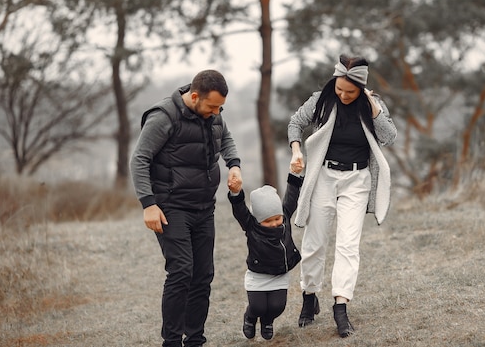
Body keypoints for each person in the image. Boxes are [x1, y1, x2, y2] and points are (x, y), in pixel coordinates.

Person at [130, 70, 243, 347]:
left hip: (204, 207)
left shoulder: (213, 113)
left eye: (220, 107)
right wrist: (149, 204)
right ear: (194, 96)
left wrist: (234, 165)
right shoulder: (163, 117)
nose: (216, 112)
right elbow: (139, 160)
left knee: (203, 275)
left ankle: (195, 340)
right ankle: (171, 341)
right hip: (171, 206)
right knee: (181, 270)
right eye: (212, 106)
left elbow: (225, 137)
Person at [288, 54, 397, 338]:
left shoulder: (372, 105)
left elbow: (389, 136)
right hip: (324, 176)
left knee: (348, 245)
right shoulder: (321, 100)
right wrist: (296, 150)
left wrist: (373, 106)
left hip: (357, 180)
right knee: (314, 242)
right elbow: (295, 123)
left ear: (361, 89)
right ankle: (309, 296)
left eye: (351, 91)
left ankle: (341, 307)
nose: (344, 95)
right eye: (339, 89)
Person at [227, 168, 303, 340]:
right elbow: (239, 210)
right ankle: (250, 317)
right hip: (258, 275)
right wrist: (236, 193)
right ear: (258, 220)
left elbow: (292, 196)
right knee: (258, 307)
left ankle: (268, 321)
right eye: (268, 221)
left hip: (279, 274)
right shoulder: (251, 225)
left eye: (277, 218)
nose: (275, 223)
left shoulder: (284, 217)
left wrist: (295, 174)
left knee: (278, 306)